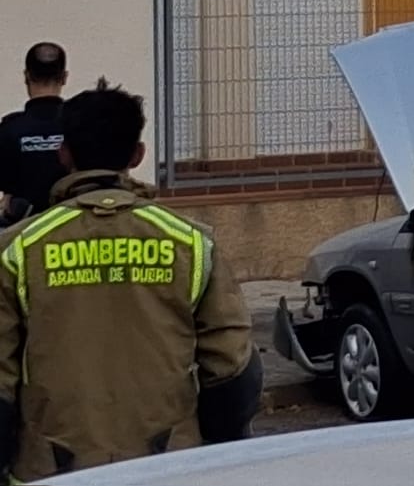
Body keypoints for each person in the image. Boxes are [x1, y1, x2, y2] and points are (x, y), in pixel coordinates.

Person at [0, 79, 260, 481]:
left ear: (64, 154)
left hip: (52, 469)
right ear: (138, 154)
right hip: (167, 466)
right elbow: (232, 368)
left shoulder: (18, 248)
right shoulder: (191, 242)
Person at [0, 44, 72, 228]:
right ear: (64, 78)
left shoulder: (9, 127)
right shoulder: (78, 125)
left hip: (21, 231)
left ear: (26, 76)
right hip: (71, 229)